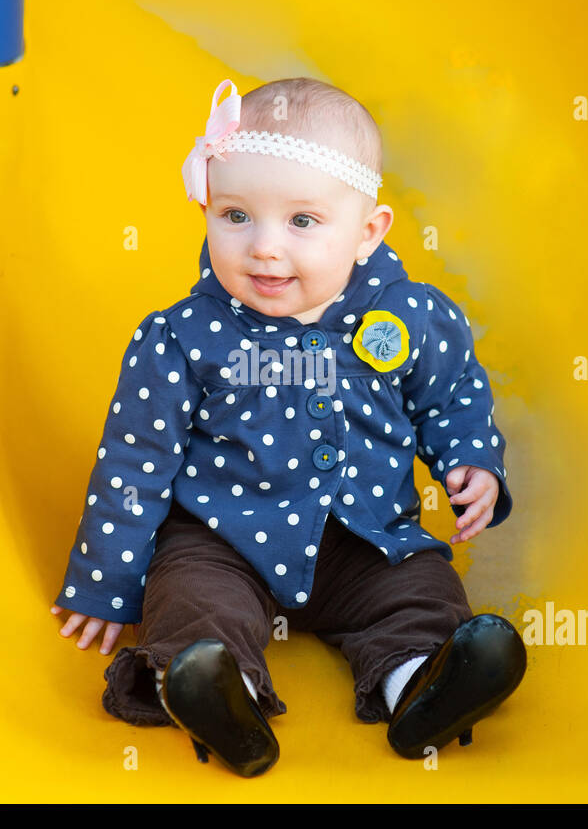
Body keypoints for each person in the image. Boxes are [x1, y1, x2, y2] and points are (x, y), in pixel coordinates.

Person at [50, 77, 526, 776]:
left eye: (302, 222)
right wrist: (105, 580)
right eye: (236, 215)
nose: (265, 248)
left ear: (368, 231)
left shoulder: (410, 319)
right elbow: (134, 461)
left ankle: (421, 684)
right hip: (222, 539)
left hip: (366, 538)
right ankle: (221, 693)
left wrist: (471, 461)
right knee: (187, 597)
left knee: (423, 590)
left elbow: (452, 393)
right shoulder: (182, 337)